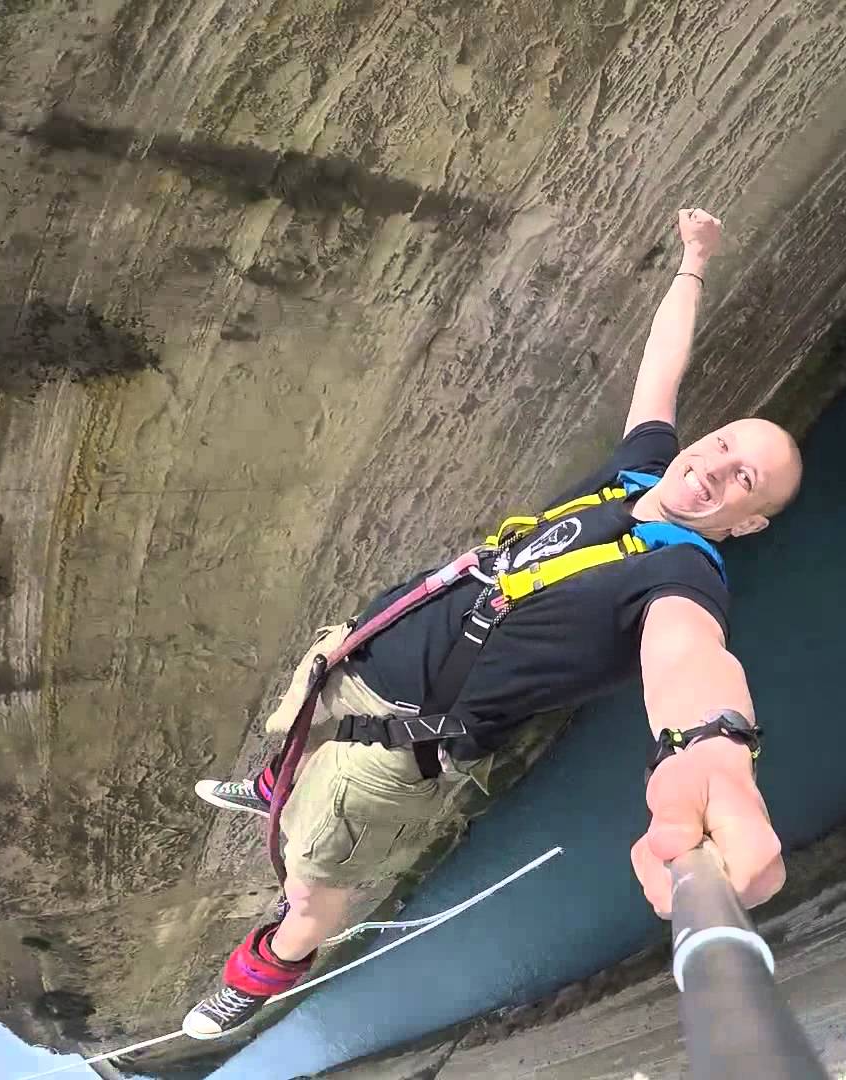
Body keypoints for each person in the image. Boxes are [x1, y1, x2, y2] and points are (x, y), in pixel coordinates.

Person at [183, 208, 803, 1038]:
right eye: (723, 445)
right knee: (295, 731)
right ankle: (271, 788)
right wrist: (694, 261)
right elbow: (662, 370)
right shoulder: (638, 474)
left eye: (744, 481)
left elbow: (689, 655)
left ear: (746, 523)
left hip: (396, 751)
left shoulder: (682, 574)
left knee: (309, 890)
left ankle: (256, 977)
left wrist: (712, 747)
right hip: (363, 653)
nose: (714, 468)